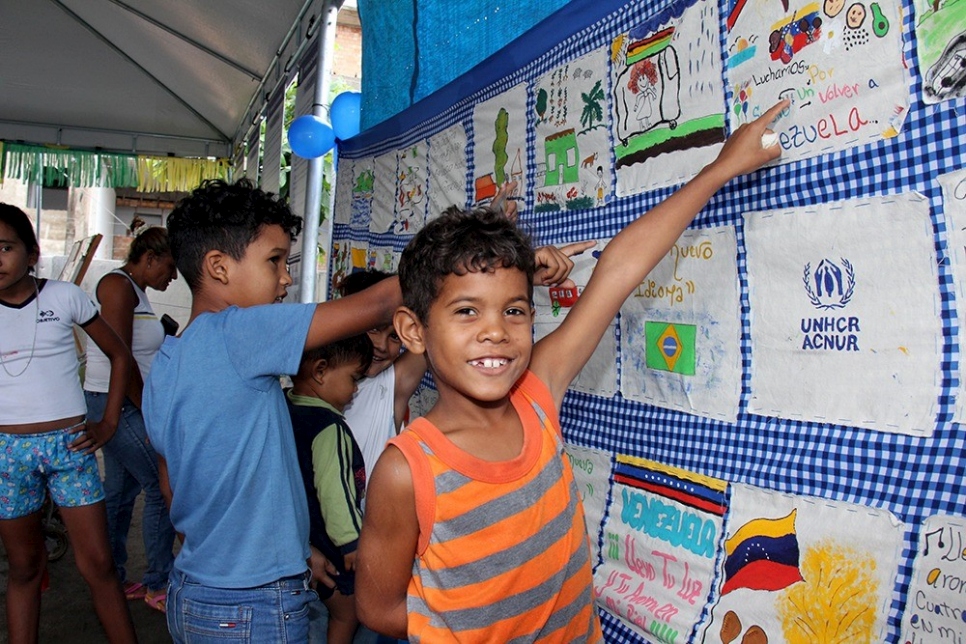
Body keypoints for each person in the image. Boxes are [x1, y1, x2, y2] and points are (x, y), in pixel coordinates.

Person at [355, 100, 789, 641]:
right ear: (413, 331)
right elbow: (377, 608)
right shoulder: (406, 470)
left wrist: (721, 168)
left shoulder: (536, 394)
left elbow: (619, 270)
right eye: (467, 311)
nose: (496, 331)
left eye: (513, 310)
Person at [142, 178, 402, 642]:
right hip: (251, 605)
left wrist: (293, 549)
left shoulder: (167, 361)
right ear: (218, 267)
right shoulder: (240, 333)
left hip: (195, 592)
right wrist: (476, 256)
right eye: (274, 260)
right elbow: (381, 302)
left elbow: (173, 489)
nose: (285, 277)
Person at [0, 204, 138, 643]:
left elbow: (119, 354)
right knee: (24, 567)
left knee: (98, 564)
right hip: (8, 453)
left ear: (33, 253)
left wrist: (108, 422)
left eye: (5, 247)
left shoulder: (64, 297)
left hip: (70, 446)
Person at [84, 226, 178, 613]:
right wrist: (145, 407)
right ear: (150, 258)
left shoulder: (136, 292)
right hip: (116, 403)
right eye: (169, 268)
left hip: (121, 402)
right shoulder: (117, 286)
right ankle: (159, 582)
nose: (172, 277)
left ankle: (113, 578)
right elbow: (118, 355)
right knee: (161, 483)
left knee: (121, 494)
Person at [287, 334, 374, 644]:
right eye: (353, 378)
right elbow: (335, 490)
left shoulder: (284, 408)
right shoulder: (329, 427)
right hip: (332, 547)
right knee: (347, 613)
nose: (355, 389)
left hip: (300, 541)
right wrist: (352, 543)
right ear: (320, 371)